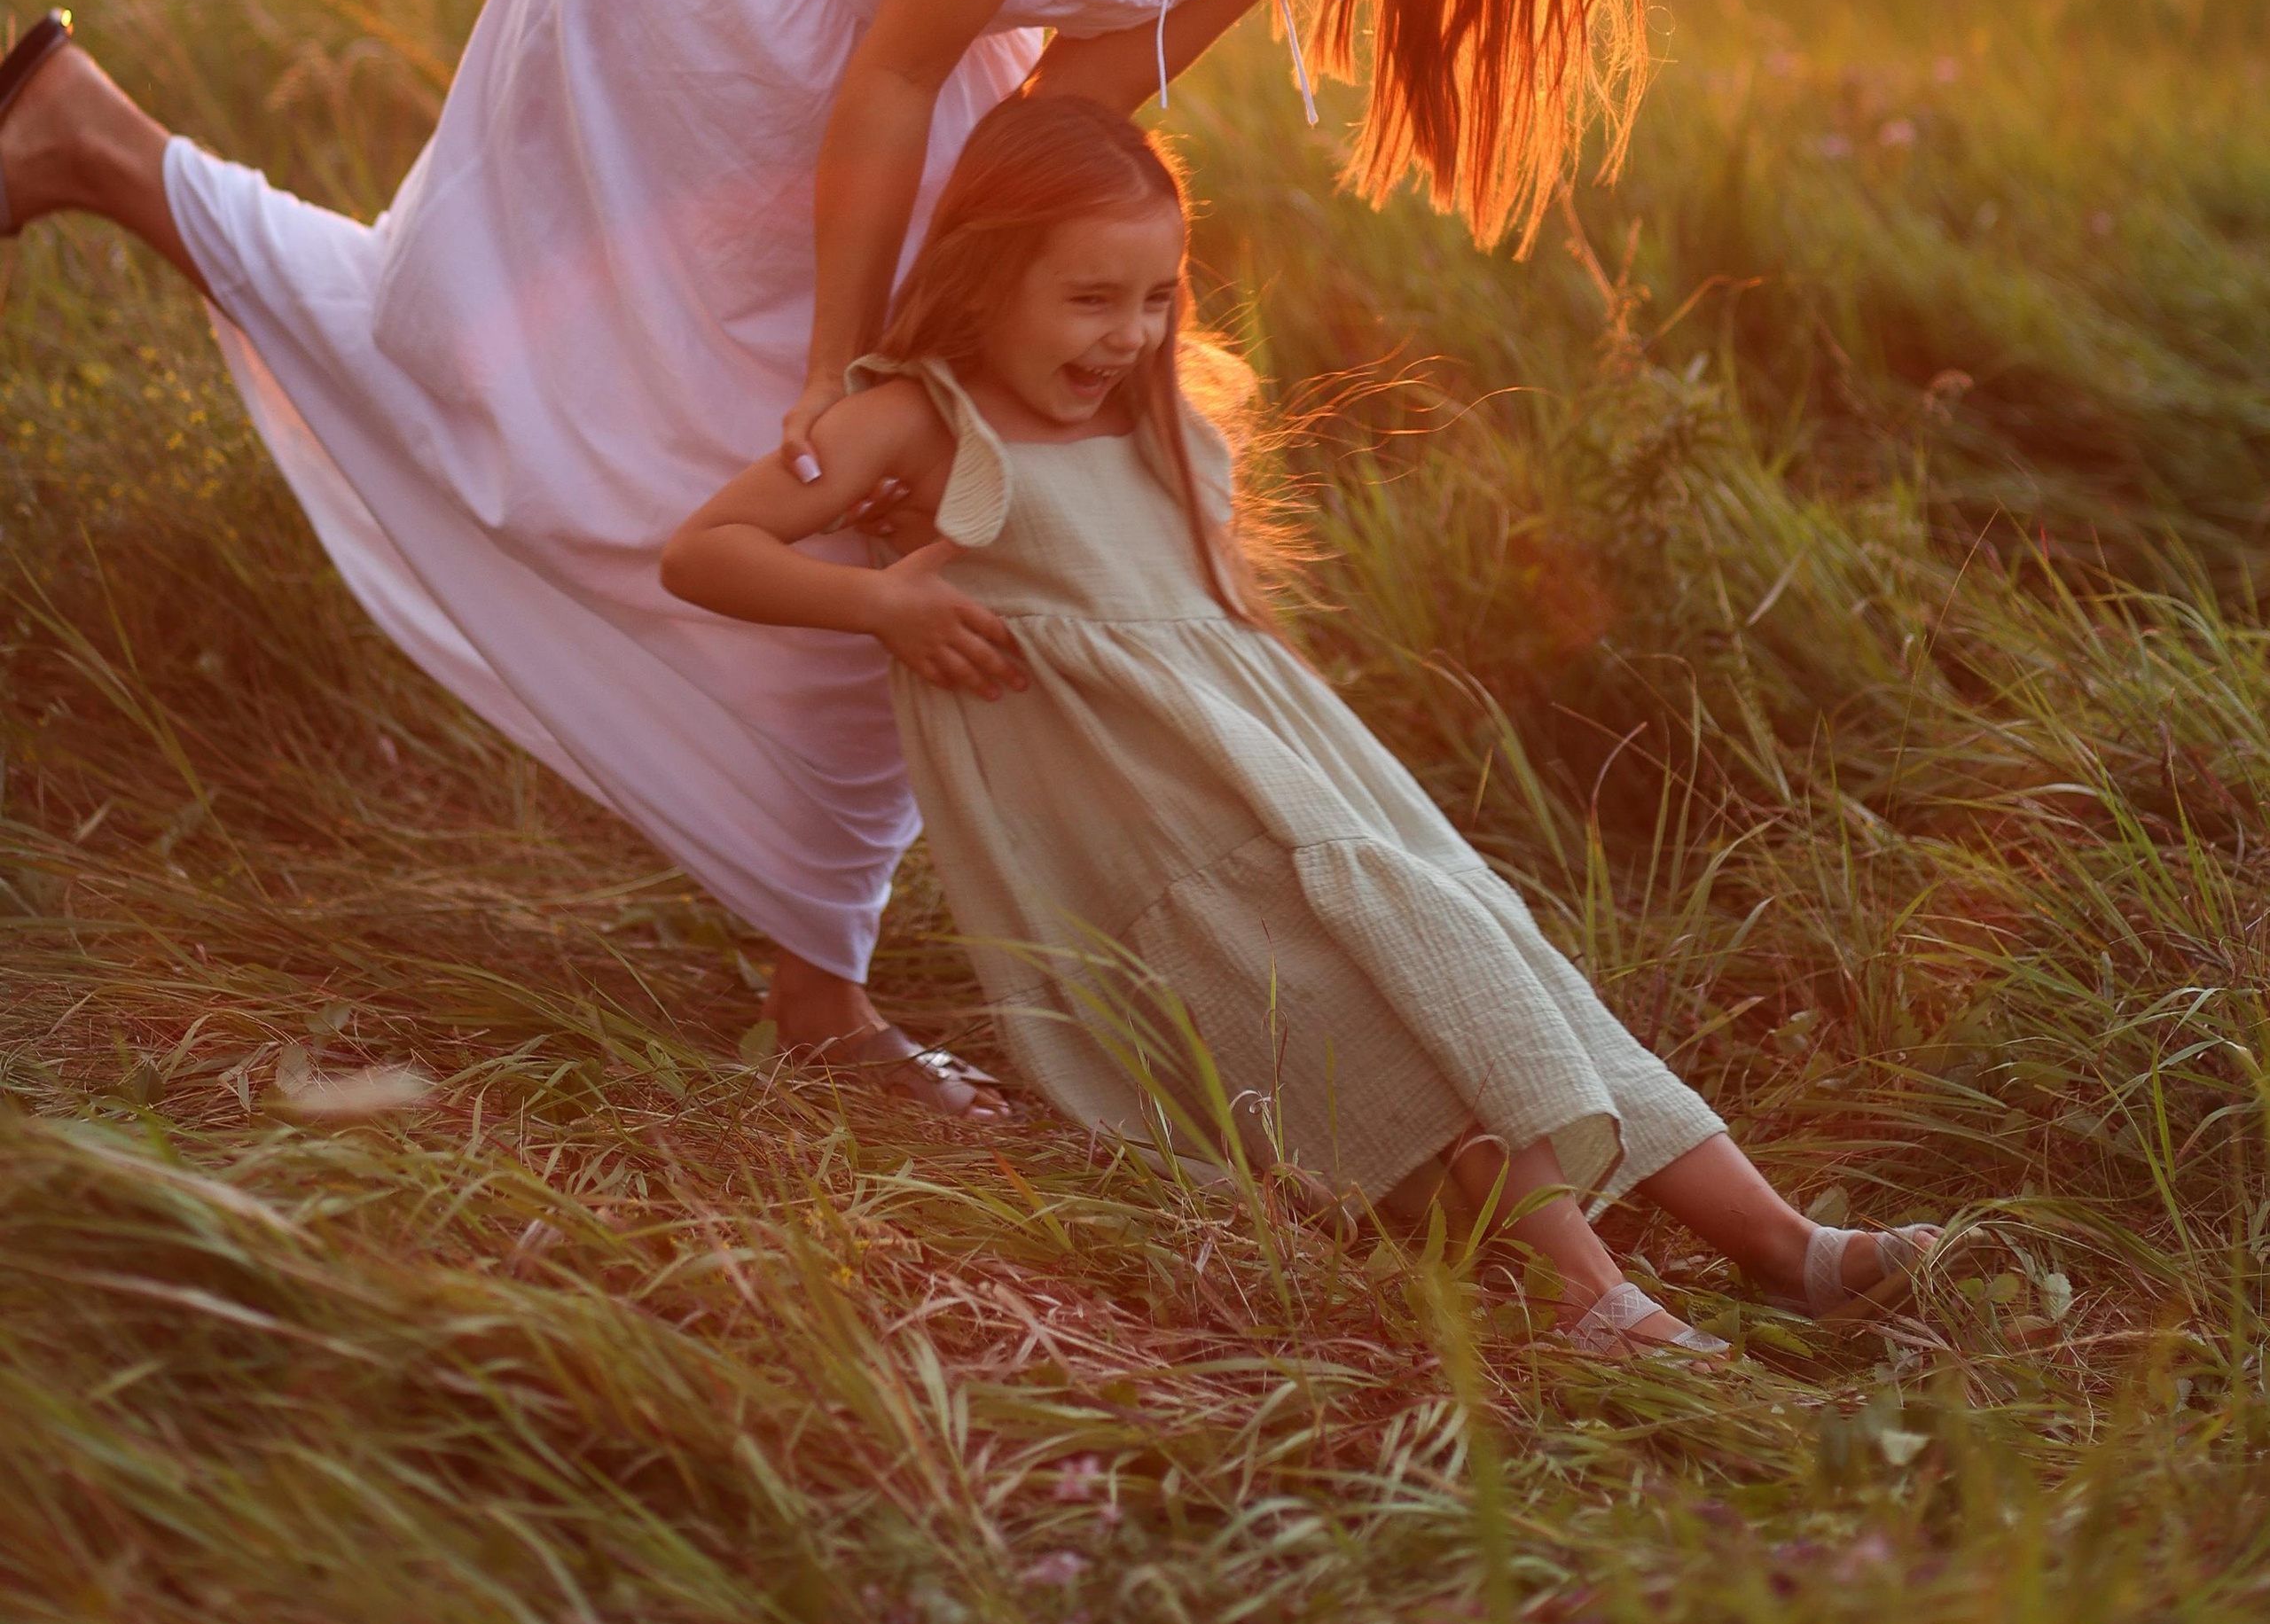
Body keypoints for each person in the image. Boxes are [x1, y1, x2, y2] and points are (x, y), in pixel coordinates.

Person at [0, 0, 1647, 1116]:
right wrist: (849, 368)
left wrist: (956, 376)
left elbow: (1069, 105)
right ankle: (113, 154)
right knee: (547, 399)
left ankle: (819, 994)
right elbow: (893, 66)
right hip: (710, 3)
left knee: (911, 493)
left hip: (916, 88)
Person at [661, 94, 1940, 1352]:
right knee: (1351, 1023)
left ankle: (1788, 1249)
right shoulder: (921, 418)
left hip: (1292, 776)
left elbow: (1202, 619)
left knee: (1490, 972)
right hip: (1139, 827)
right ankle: (1586, 1298)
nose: (1128, 334)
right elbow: (706, 552)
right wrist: (878, 604)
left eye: (1155, 297)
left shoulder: (1158, 417)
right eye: (1090, 299)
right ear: (985, 277)